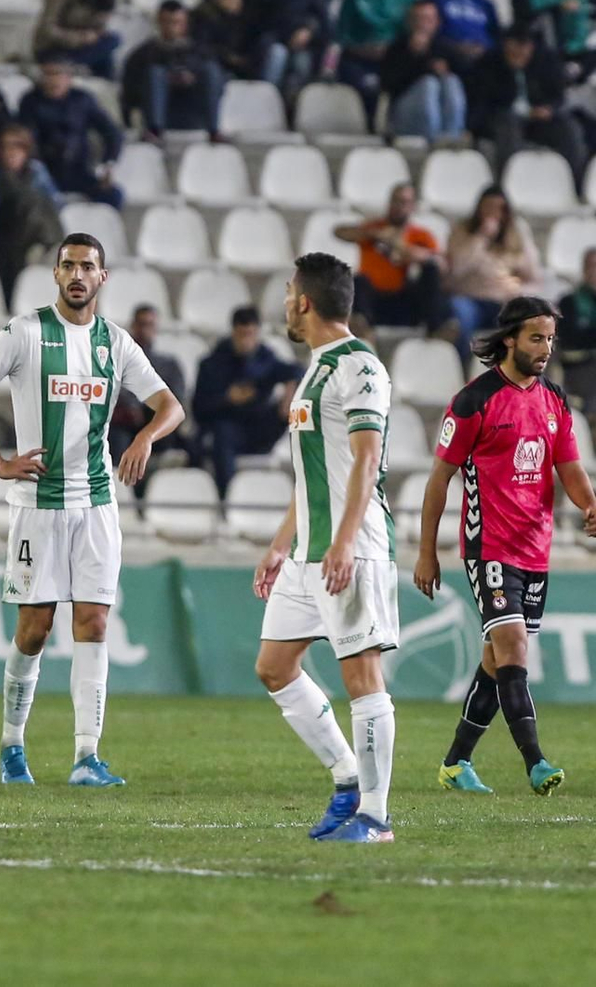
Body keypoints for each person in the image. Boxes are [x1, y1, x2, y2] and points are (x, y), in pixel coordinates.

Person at [0, 233, 185, 786]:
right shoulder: (24, 334)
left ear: (103, 278)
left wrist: (146, 437)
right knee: (34, 628)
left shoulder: (115, 343)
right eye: (69, 266)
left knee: (95, 621)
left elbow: (170, 407)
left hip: (96, 502)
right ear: (55, 274)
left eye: (88, 267)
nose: (78, 275)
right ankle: (12, 745)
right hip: (37, 503)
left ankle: (86, 756)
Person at [415, 296, 596, 797]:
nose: (546, 348)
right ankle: (536, 762)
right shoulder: (475, 401)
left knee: (498, 661)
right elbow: (439, 481)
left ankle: (456, 762)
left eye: (551, 339)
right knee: (513, 647)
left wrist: (588, 503)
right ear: (510, 338)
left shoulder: (554, 400)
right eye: (537, 338)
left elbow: (570, 467)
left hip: (535, 549)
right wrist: (427, 552)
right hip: (489, 547)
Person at [252, 251, 399, 844]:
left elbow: (366, 459)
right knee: (274, 665)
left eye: (289, 291)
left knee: (363, 677)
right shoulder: (315, 369)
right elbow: (316, 472)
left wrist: (341, 544)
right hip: (310, 551)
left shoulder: (359, 365)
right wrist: (280, 543)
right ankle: (346, 779)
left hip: (351, 548)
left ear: (304, 302)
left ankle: (376, 816)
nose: (285, 300)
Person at [194, 306, 302, 496]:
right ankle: (228, 495)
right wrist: (227, 399)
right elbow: (199, 408)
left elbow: (296, 370)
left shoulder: (265, 358)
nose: (246, 340)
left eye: (251, 334)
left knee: (297, 411)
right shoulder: (213, 363)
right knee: (222, 431)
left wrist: (288, 396)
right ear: (234, 331)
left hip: (259, 429)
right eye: (242, 334)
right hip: (227, 430)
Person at [469, 24, 586, 180]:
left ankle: (576, 182)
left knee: (569, 128)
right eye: (515, 46)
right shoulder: (489, 64)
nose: (520, 52)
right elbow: (485, 101)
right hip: (502, 116)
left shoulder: (546, 62)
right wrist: (512, 72)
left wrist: (548, 109)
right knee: (508, 127)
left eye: (525, 46)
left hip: (538, 119)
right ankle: (510, 180)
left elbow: (558, 96)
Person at [337, 182, 447, 331]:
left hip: (403, 300)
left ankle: (436, 328)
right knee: (358, 280)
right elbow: (340, 232)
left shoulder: (421, 235)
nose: (398, 206)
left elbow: (441, 265)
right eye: (395, 200)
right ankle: (362, 326)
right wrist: (376, 235)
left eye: (404, 202)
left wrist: (403, 248)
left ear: (413, 206)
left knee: (430, 270)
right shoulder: (374, 227)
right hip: (374, 299)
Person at [18, 56, 123, 208]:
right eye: (48, 74)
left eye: (58, 74)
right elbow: (25, 137)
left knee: (113, 195)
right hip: (46, 172)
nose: (53, 80)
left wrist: (108, 164)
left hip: (79, 170)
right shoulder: (30, 101)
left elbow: (112, 132)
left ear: (69, 77)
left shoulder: (82, 99)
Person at [445, 186, 541, 348]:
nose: (493, 213)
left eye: (499, 208)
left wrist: (519, 291)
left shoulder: (516, 235)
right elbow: (457, 270)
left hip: (503, 302)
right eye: (488, 207)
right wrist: (481, 237)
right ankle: (461, 363)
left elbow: (535, 280)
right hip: (470, 298)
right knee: (461, 314)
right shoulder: (463, 231)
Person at [122, 0, 226, 142]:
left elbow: (218, 85)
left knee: (210, 70)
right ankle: (154, 131)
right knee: (155, 73)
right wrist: (166, 80)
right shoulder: (143, 54)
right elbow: (129, 91)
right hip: (161, 113)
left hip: (194, 113)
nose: (172, 27)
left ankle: (214, 131)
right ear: (159, 22)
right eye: (167, 22)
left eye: (177, 22)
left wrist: (192, 78)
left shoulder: (201, 51)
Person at [336, 0, 418, 125]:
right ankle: (368, 128)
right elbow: (342, 33)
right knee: (368, 87)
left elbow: (410, 35)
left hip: (394, 59)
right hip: (359, 59)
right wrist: (362, 49)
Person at [244, 0, 330, 102]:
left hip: (306, 44)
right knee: (277, 55)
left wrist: (308, 30)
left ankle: (296, 106)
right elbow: (261, 21)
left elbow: (324, 23)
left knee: (302, 62)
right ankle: (266, 102)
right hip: (274, 39)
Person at [108, 304, 187, 467]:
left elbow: (176, 400)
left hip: (154, 422)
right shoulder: (115, 361)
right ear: (133, 326)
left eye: (149, 325)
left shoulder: (169, 365)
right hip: (124, 425)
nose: (145, 330)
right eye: (141, 324)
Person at [381, 0, 467, 142]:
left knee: (451, 81)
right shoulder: (397, 48)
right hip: (404, 114)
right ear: (409, 22)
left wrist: (444, 72)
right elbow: (388, 85)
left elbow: (467, 77)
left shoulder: (445, 48)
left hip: (442, 115)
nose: (422, 24)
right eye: (417, 18)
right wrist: (417, 58)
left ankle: (452, 139)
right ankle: (431, 141)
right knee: (429, 84)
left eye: (428, 19)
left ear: (437, 22)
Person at [0, 123, 63, 290]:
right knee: (29, 199)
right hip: (5, 234)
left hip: (30, 232)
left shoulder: (36, 171)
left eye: (17, 147)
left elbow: (56, 202)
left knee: (38, 200)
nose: (11, 152)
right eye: (6, 147)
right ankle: (48, 245)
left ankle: (48, 246)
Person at [557, 249, 596, 411]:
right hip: (580, 368)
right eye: (591, 266)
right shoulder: (568, 302)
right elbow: (570, 340)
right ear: (584, 270)